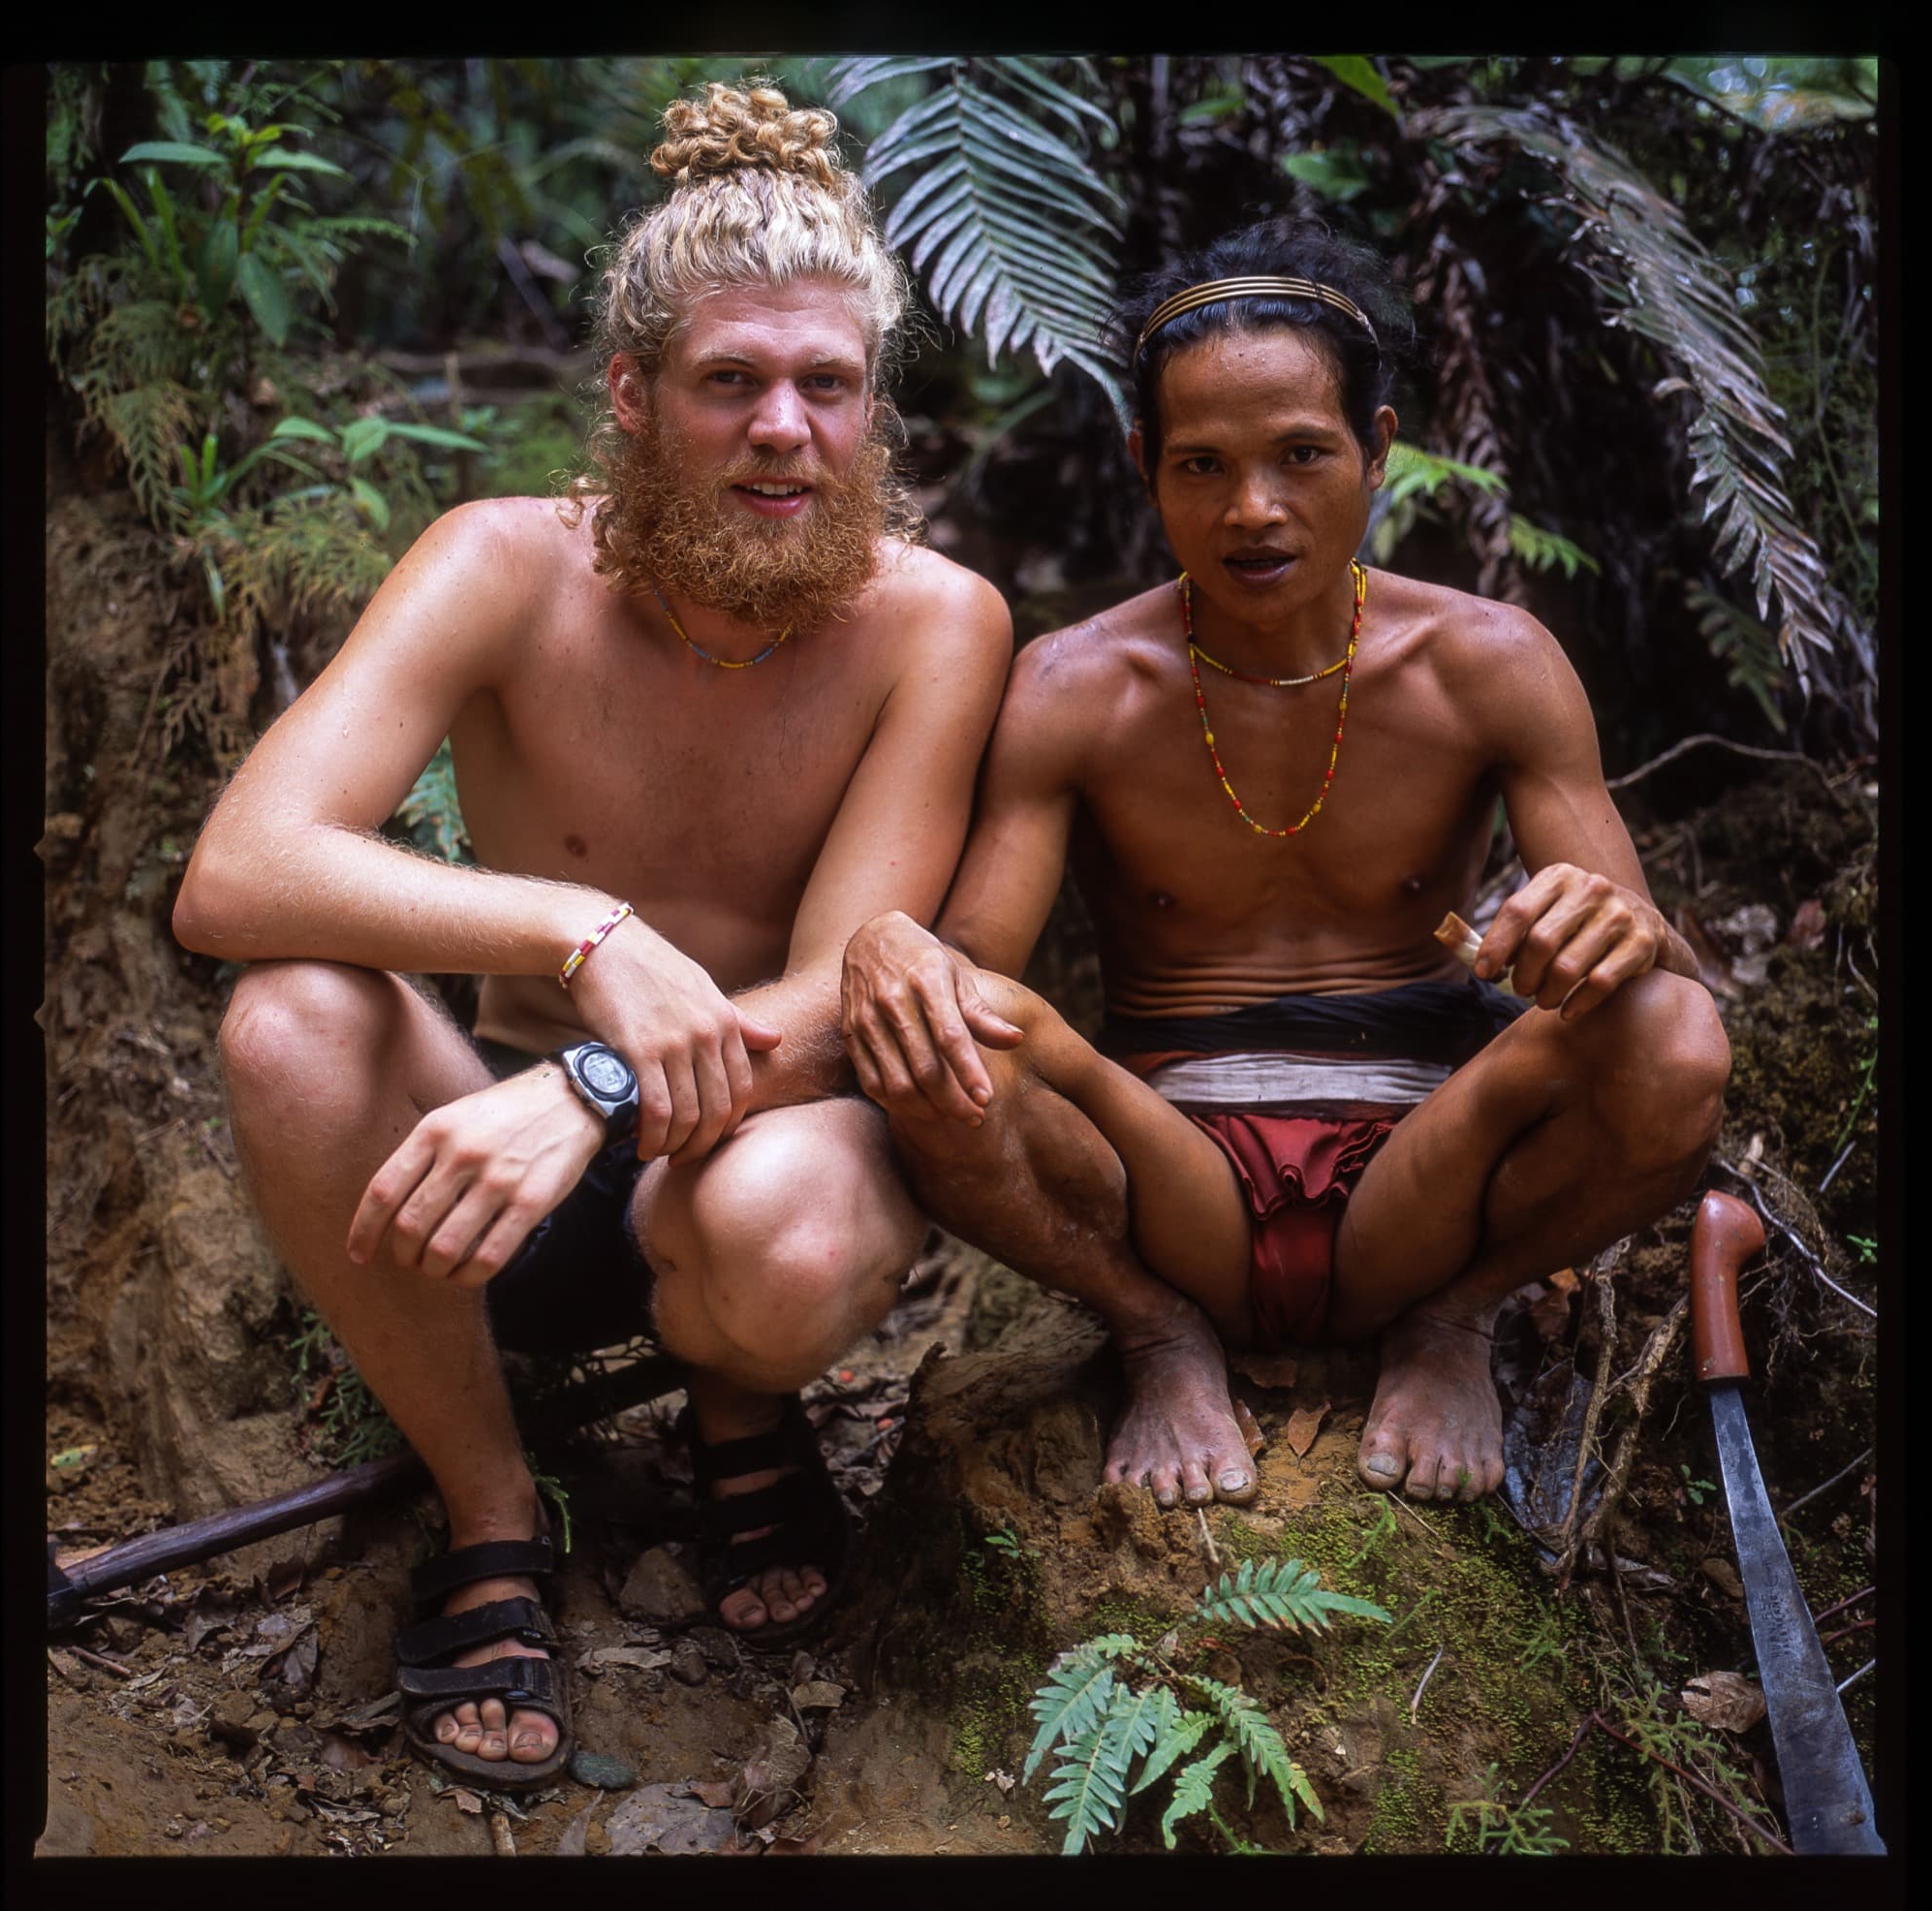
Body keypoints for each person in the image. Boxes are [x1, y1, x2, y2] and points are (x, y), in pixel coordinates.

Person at [172, 81, 1011, 1789]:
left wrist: (601, 1081)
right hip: (495, 1189)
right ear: (633, 395)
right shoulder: (500, 566)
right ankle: (493, 1507)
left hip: (756, 1160)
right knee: (286, 1019)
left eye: (828, 384)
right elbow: (237, 872)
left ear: (874, 404)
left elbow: (848, 1000)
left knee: (782, 1225)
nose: (784, 429)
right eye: (730, 381)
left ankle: (740, 1401)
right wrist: (581, 929)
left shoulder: (937, 623)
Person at [840, 217, 1730, 1524]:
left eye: (1302, 455)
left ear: (1377, 449)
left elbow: (1659, 962)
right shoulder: (1076, 686)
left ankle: (1453, 1323)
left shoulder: (1490, 663)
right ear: (1145, 466)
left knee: (1674, 1032)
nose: (1252, 510)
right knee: (938, 1036)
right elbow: (975, 963)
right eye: (1202, 464)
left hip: (1429, 1174)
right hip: (1170, 1183)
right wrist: (890, 944)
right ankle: (1154, 1334)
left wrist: (1620, 926)